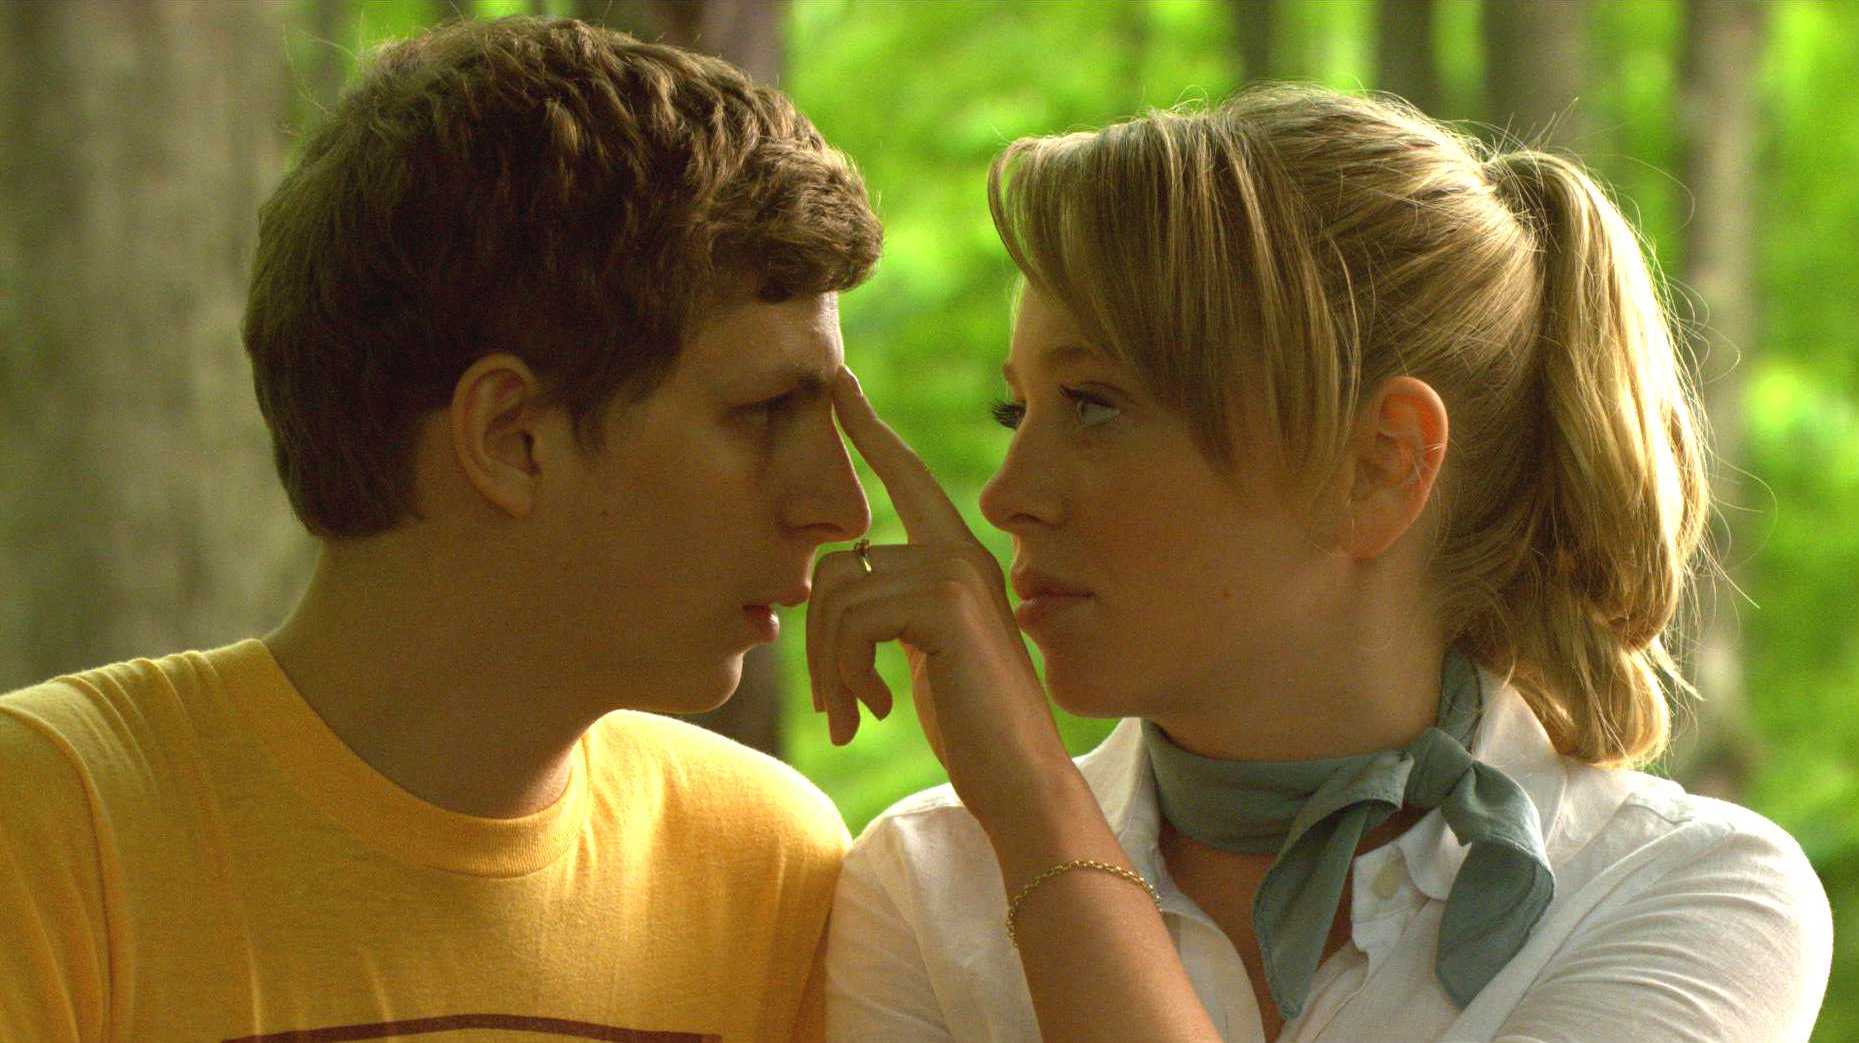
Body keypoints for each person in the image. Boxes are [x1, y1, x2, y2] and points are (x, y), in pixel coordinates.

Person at [809, 85, 1832, 1042]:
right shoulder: (923, 880)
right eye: (1015, 409)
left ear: (1379, 466)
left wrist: (1038, 811)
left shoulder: (1681, 894)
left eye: (1093, 405)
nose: (1005, 495)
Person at [0, 16, 880, 1042]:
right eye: (765, 410)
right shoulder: (52, 829)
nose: (841, 505)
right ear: (511, 438)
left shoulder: (764, 867)